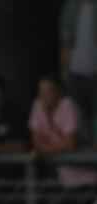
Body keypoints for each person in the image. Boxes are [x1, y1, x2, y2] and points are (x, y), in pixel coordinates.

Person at [29, 75, 97, 189]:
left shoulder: (68, 104)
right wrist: (50, 147)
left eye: (48, 91)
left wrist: (44, 149)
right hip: (59, 173)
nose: (43, 96)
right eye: (41, 91)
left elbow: (70, 143)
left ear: (59, 92)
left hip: (84, 171)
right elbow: (36, 141)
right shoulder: (37, 105)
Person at [60, 0, 97, 143]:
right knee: (77, 113)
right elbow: (65, 42)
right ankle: (83, 145)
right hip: (75, 71)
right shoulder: (71, 7)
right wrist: (63, 70)